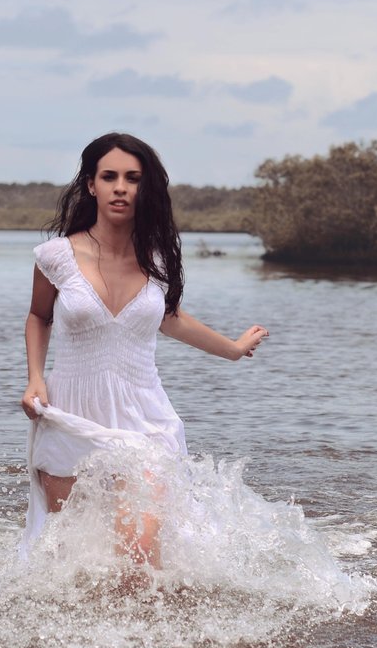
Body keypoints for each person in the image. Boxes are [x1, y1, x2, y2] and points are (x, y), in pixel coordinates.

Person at [19, 132, 268, 564]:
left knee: (140, 549)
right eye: (109, 176)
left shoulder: (158, 258)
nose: (121, 187)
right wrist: (35, 378)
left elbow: (169, 318)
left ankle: (150, 630)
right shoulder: (56, 256)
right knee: (70, 559)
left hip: (144, 416)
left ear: (144, 187)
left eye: (132, 178)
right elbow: (40, 316)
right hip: (71, 415)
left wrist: (231, 349)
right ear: (91, 185)